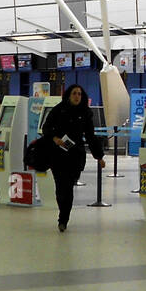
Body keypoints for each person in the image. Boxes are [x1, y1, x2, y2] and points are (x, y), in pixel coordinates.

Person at [41, 84, 104, 232]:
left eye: (79, 94)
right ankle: (63, 215)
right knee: (60, 188)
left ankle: (63, 218)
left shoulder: (85, 113)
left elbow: (90, 136)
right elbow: (46, 128)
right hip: (58, 154)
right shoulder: (58, 109)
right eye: (74, 93)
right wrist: (55, 138)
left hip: (75, 156)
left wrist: (99, 156)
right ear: (69, 95)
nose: (77, 96)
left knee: (68, 188)